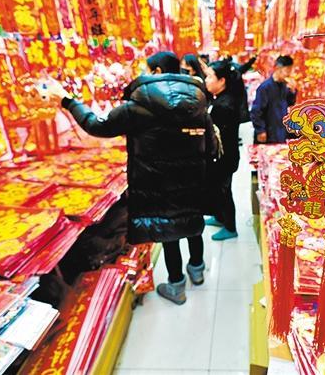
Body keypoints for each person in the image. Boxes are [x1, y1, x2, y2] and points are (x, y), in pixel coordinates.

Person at [39, 51, 216, 305]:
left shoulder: (138, 106)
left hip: (157, 184)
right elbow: (210, 146)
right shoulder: (198, 103)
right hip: (191, 181)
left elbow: (96, 125)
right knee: (191, 223)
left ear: (156, 72)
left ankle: (176, 286)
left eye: (147, 68)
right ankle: (197, 270)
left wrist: (67, 101)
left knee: (168, 232)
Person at [204, 60, 243, 241]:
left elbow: (218, 136)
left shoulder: (224, 105)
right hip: (222, 155)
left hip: (224, 156)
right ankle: (219, 217)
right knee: (217, 188)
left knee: (224, 191)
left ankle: (230, 227)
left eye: (210, 77)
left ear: (222, 81)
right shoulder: (220, 99)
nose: (206, 80)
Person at [250, 55, 297, 144]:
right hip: (268, 131)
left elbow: (290, 103)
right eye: (287, 70)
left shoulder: (285, 86)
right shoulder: (265, 87)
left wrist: (293, 91)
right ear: (278, 68)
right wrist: (260, 130)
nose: (289, 74)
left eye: (290, 70)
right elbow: (256, 111)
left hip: (280, 130)